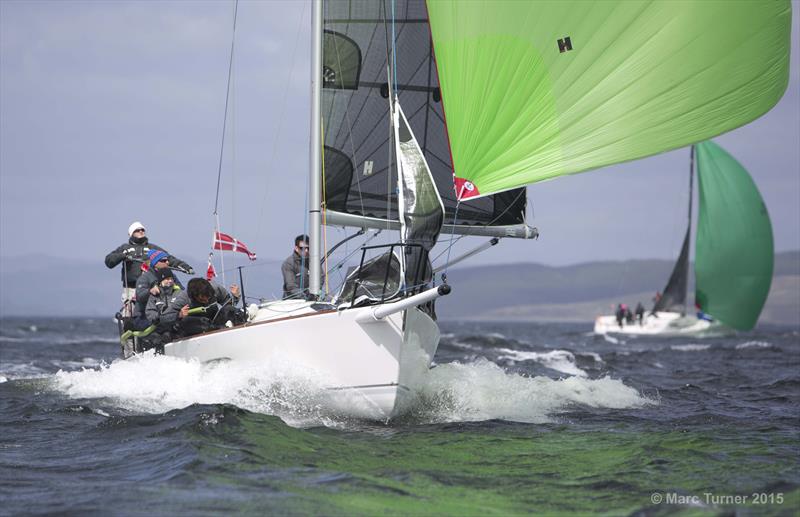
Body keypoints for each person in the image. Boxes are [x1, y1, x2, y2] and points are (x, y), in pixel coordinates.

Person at [105, 221, 193, 316]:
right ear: (131, 233)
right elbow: (109, 262)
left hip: (152, 287)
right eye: (137, 230)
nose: (141, 231)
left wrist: (186, 267)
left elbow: (168, 259)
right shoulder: (125, 248)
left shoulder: (152, 248)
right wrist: (122, 255)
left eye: (142, 230)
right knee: (130, 313)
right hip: (131, 289)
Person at [163, 278, 242, 338]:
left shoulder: (216, 289)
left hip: (215, 322)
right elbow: (164, 318)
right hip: (196, 326)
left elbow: (228, 305)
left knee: (230, 309)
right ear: (193, 296)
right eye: (202, 299)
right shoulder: (184, 298)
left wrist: (235, 297)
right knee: (187, 321)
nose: (206, 301)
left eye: (209, 298)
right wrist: (179, 315)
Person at [132, 250, 185, 329]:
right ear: (155, 263)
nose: (167, 262)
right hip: (144, 317)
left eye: (168, 260)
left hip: (167, 314)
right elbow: (140, 296)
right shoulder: (144, 278)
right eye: (163, 260)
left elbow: (182, 290)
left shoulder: (171, 276)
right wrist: (150, 291)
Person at [282, 234, 310, 299]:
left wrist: (315, 293)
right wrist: (304, 297)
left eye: (308, 248)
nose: (306, 250)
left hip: (311, 300)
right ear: (296, 248)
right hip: (292, 301)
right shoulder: (288, 263)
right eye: (302, 248)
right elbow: (291, 286)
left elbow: (321, 276)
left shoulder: (313, 261)